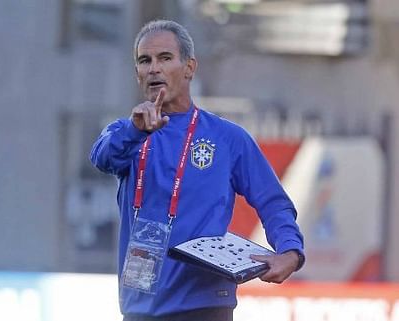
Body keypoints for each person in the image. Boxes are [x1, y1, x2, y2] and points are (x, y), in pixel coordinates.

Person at [90, 19, 304, 321]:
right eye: (144, 60)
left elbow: (273, 203)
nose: (154, 68)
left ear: (189, 68)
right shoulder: (126, 133)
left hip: (205, 306)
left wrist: (290, 251)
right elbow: (101, 158)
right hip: (141, 309)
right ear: (137, 73)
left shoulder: (227, 138)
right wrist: (135, 132)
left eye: (165, 58)